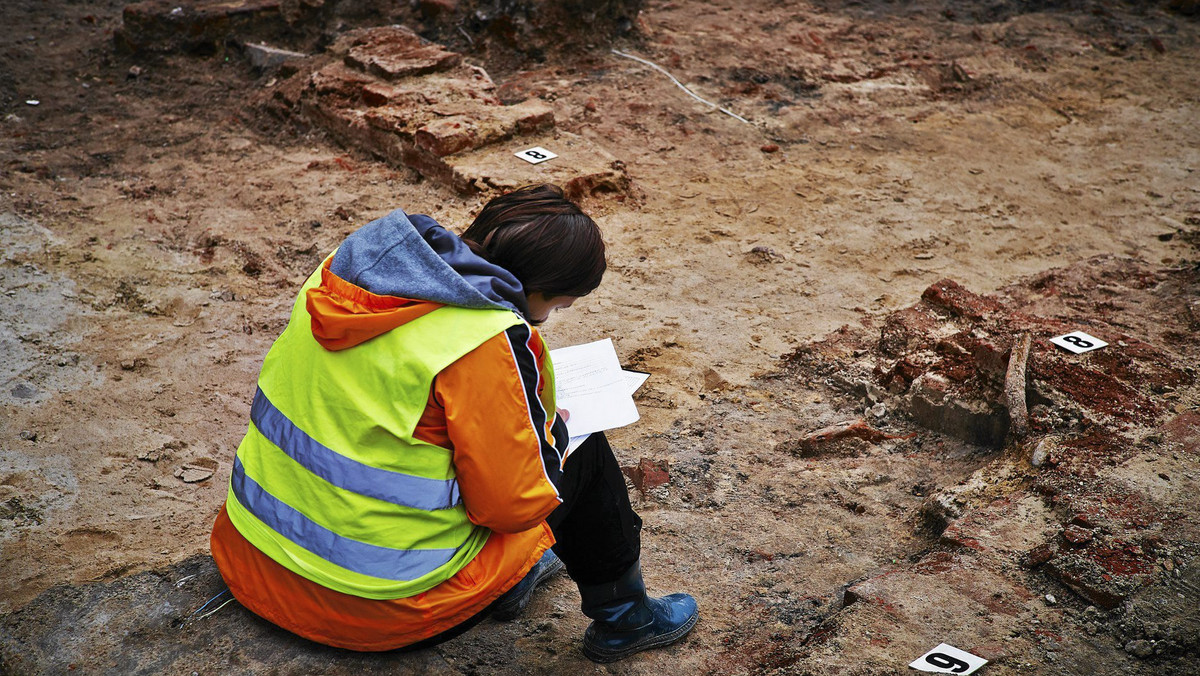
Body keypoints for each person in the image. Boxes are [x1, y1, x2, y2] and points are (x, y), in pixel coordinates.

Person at [209, 183, 698, 662]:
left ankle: (518, 580)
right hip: (371, 609)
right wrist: (556, 433)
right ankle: (626, 619)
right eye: (558, 305)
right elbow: (511, 508)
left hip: (253, 559)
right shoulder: (481, 340)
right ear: (537, 289)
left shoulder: (346, 272)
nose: (548, 319)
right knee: (579, 451)